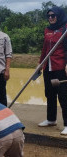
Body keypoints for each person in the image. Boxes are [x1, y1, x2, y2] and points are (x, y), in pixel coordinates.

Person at [38, 6, 67, 135]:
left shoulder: (65, 29)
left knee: (64, 96)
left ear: (59, 16)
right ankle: (51, 119)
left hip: (60, 67)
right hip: (48, 67)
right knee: (49, 94)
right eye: (48, 16)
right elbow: (45, 49)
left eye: (53, 16)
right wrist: (40, 64)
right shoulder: (47, 30)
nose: (50, 18)